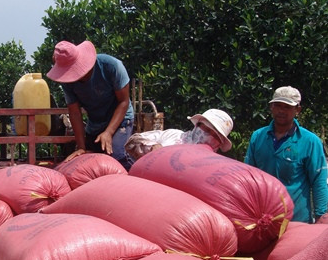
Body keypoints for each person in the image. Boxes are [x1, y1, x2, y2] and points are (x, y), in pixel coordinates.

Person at [245, 86, 328, 223]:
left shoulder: (310, 141)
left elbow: (319, 181)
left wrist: (321, 217)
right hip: (262, 221)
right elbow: (248, 176)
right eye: (278, 105)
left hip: (297, 221)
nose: (281, 111)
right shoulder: (257, 137)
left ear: (298, 110)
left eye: (287, 107)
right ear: (271, 107)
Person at [46, 40, 134, 170]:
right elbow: (75, 112)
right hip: (95, 124)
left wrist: (108, 132)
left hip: (120, 119)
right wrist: (81, 147)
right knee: (88, 161)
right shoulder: (67, 82)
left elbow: (123, 101)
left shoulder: (111, 66)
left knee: (116, 156)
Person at [125, 108, 234, 160]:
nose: (209, 136)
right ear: (198, 125)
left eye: (215, 136)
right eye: (207, 129)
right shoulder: (174, 135)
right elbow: (132, 141)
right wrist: (152, 148)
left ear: (219, 144)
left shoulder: (212, 163)